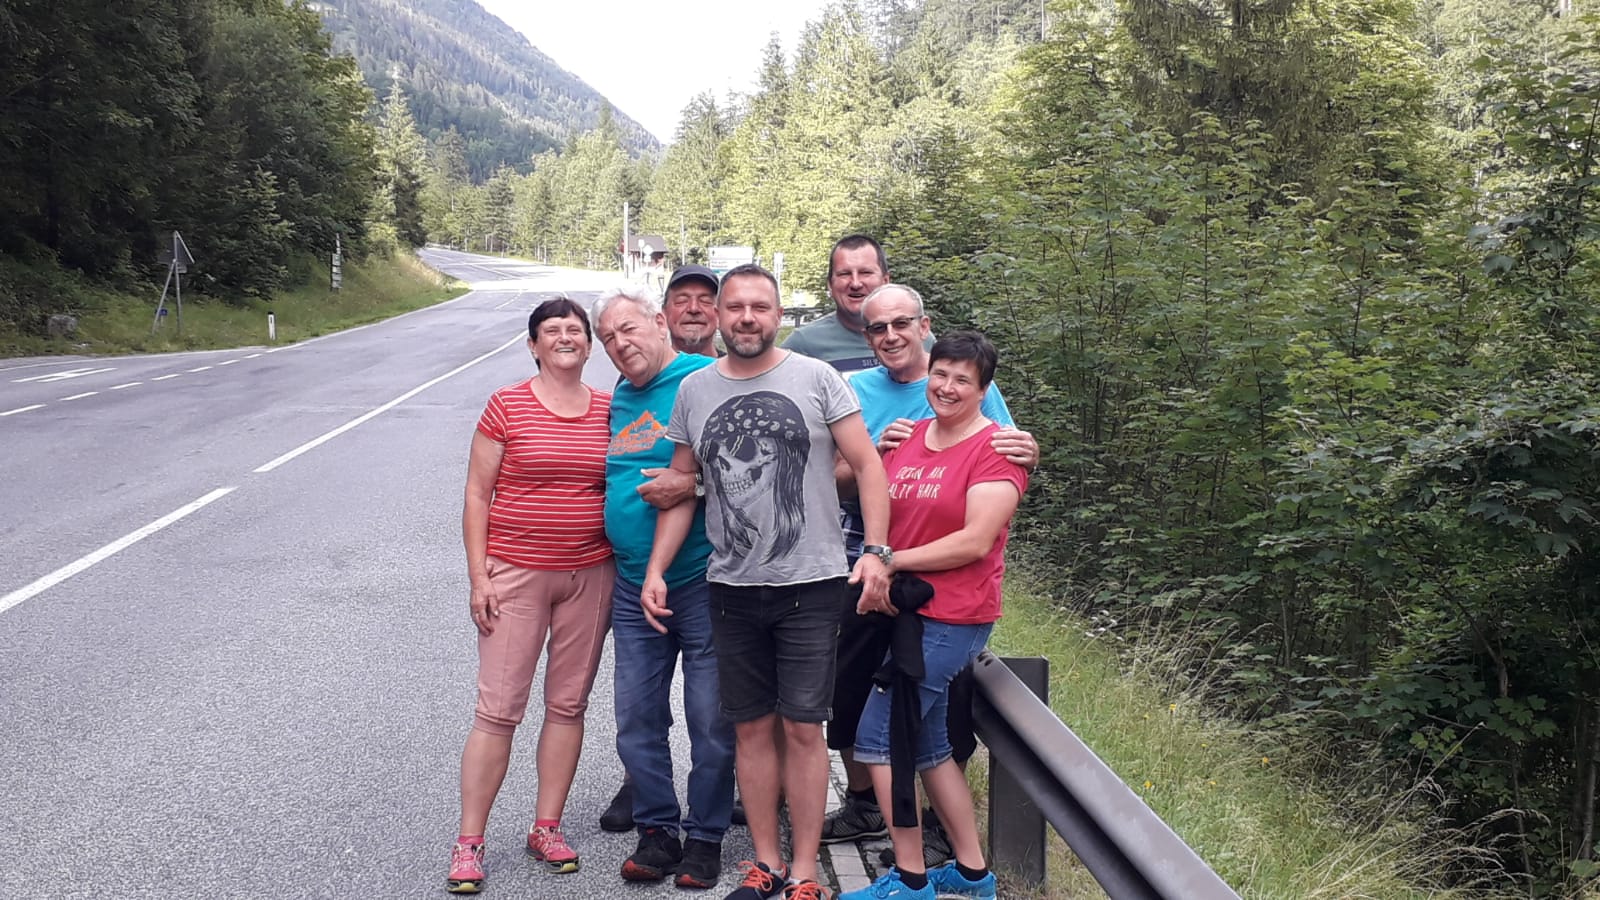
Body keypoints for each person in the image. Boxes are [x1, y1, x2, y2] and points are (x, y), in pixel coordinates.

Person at [642, 263, 893, 900]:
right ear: (720, 317)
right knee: (751, 729)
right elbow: (681, 486)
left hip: (812, 584)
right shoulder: (695, 390)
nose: (747, 318)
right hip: (730, 587)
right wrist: (656, 570)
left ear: (778, 315)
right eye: (736, 307)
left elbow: (868, 466)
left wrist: (876, 552)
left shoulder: (817, 378)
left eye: (760, 307)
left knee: (804, 730)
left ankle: (804, 872)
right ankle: (765, 863)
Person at [822, 284, 1035, 867]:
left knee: (878, 737)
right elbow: (870, 497)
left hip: (953, 613)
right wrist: (879, 552)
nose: (947, 387)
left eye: (963, 380)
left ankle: (910, 874)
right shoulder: (908, 436)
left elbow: (975, 541)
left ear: (984, 391)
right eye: (941, 375)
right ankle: (972, 871)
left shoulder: (997, 449)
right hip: (902, 608)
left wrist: (886, 558)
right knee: (931, 748)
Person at [447, 297, 616, 894]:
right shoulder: (507, 404)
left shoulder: (610, 408)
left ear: (589, 345)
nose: (565, 337)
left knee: (569, 705)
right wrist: (479, 576)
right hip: (515, 573)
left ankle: (547, 827)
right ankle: (470, 841)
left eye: (575, 330)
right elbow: (477, 494)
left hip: (590, 574)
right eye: (552, 330)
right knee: (498, 711)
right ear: (533, 345)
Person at [594, 284, 736, 889]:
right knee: (636, 717)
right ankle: (657, 830)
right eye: (608, 338)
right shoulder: (622, 395)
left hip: (701, 581)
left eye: (628, 329)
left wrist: (694, 484)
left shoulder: (703, 381)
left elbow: (739, 470)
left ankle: (705, 837)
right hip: (633, 587)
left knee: (710, 720)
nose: (620, 344)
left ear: (658, 322)